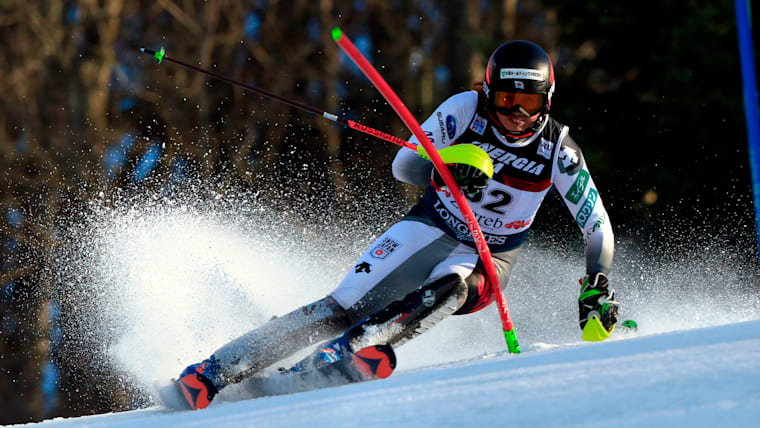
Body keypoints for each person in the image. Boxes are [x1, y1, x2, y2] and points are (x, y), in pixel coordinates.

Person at [172, 40, 617, 410]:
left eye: (530, 102)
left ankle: (345, 352)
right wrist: (444, 170)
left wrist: (596, 278)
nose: (517, 114)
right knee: (342, 304)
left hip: (487, 255)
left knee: (454, 285)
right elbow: (405, 165)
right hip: (431, 224)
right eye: (507, 99)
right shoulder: (466, 110)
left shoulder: (558, 149)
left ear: (549, 100)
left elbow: (596, 223)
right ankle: (212, 372)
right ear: (489, 92)